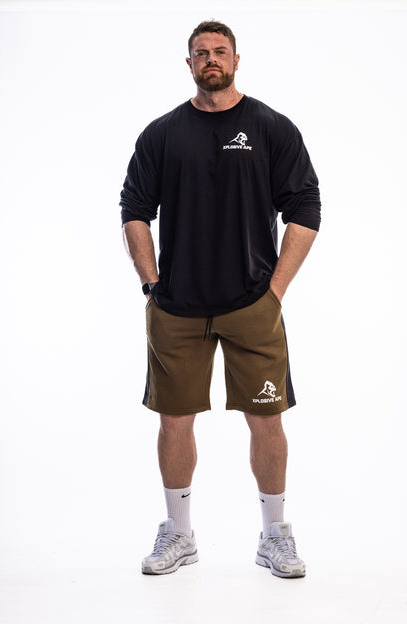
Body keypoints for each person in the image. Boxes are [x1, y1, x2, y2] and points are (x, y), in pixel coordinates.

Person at [119, 20, 321, 578]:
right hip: (176, 307)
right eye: (201, 52)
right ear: (189, 64)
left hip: (252, 305)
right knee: (174, 421)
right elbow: (134, 208)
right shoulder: (162, 134)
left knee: (267, 419)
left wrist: (275, 291)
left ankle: (275, 535)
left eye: (220, 51)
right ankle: (179, 534)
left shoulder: (270, 127)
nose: (211, 58)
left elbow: (306, 207)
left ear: (236, 60)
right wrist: (151, 284)